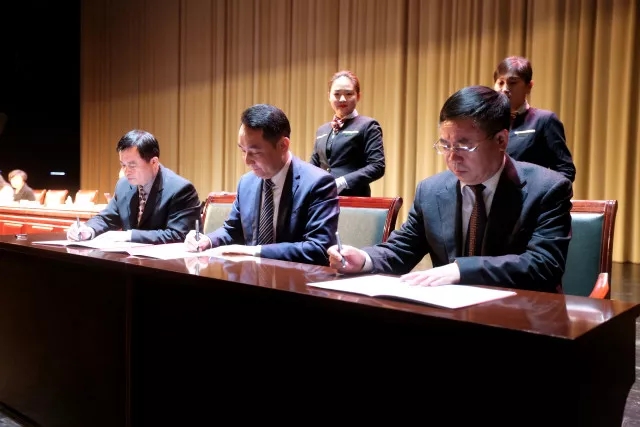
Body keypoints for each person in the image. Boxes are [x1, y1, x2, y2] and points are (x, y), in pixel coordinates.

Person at [328, 85, 573, 293]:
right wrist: (364, 259)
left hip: (520, 317)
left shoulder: (547, 189)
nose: (452, 157)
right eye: (445, 145)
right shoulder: (431, 190)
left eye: (464, 146)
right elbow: (402, 249)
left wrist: (461, 270)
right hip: (449, 316)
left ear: (501, 140)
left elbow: (544, 265)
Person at [184, 104, 339, 266]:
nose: (247, 160)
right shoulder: (246, 183)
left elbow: (319, 248)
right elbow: (232, 231)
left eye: (255, 152)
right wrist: (207, 240)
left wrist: (255, 251)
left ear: (283, 145)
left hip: (297, 278)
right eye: (243, 151)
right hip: (251, 276)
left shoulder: (318, 183)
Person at [67, 129, 201, 244]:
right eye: (123, 165)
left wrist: (129, 236)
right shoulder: (123, 185)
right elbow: (107, 218)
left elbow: (179, 235)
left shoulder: (180, 189)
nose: (126, 171)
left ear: (154, 162)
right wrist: (88, 230)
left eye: (132, 165)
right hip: (129, 261)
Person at [493, 56, 576, 182]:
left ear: (529, 86)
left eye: (513, 82)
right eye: (500, 83)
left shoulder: (544, 120)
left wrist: (541, 192)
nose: (505, 89)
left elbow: (566, 170)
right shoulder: (486, 123)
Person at [310, 70, 385, 196]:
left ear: (358, 96)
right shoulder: (322, 130)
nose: (342, 99)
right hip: (322, 200)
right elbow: (313, 166)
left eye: (349, 94)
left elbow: (377, 166)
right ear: (329, 96)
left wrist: (341, 182)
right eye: (337, 94)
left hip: (353, 200)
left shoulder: (368, 125)